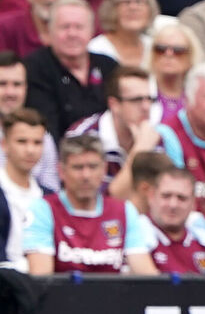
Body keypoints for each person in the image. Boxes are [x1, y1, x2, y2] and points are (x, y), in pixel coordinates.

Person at [24, 133, 157, 275]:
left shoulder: (124, 211)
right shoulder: (43, 209)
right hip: (62, 296)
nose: (86, 176)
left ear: (104, 169)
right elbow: (41, 278)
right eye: (78, 167)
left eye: (93, 167)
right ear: (61, 171)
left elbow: (146, 276)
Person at [23, 0, 118, 139]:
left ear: (92, 30)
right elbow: (46, 127)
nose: (72, 34)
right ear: (50, 30)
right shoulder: (34, 67)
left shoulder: (109, 66)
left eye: (79, 27)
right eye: (65, 27)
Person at [65, 65, 160, 199]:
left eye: (149, 99)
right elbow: (104, 202)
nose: (146, 107)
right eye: (136, 100)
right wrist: (139, 151)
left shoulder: (157, 136)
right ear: (114, 105)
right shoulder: (82, 136)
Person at [144, 166, 205, 275]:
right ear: (151, 196)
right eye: (166, 196)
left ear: (193, 203)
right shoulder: (137, 232)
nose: (173, 205)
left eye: (181, 198)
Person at [0, 52, 59, 192]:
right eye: (2, 84)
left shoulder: (43, 137)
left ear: (26, 88)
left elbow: (51, 194)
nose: (10, 92)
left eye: (17, 84)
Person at [0, 108, 46, 270]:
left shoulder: (49, 197)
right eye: (22, 141)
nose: (30, 150)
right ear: (4, 145)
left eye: (37, 142)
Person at [88, 0, 159, 69]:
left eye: (139, 2)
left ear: (150, 8)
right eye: (126, 2)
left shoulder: (156, 48)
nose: (133, 7)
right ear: (112, 8)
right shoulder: (96, 49)